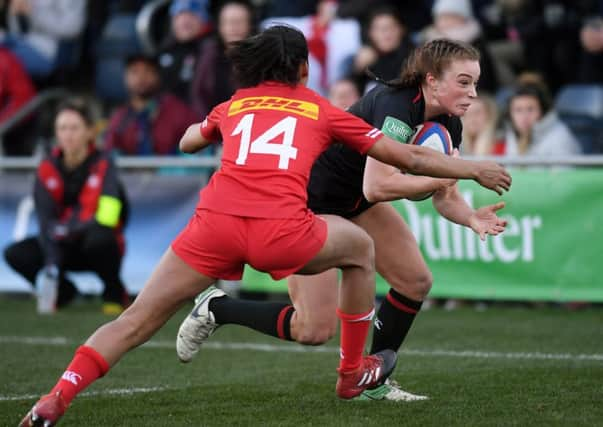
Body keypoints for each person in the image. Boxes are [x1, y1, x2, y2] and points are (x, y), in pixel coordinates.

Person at [19, 26, 511, 426]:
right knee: (348, 270)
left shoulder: (234, 103)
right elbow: (398, 162)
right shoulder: (324, 107)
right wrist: (471, 170)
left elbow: (190, 141)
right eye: (464, 81)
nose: (471, 90)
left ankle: (55, 397)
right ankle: (349, 373)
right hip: (293, 219)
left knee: (135, 321)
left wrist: (209, 129)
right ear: (302, 69)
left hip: (218, 224)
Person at [176, 38, 510, 401]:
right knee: (312, 329)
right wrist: (461, 172)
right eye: (463, 82)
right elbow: (379, 185)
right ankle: (217, 307)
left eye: (475, 83)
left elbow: (445, 195)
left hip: (356, 203)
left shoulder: (448, 123)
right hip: (310, 205)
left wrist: (471, 218)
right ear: (431, 80)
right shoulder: (396, 104)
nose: (473, 93)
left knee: (415, 281)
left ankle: (374, 383)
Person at [3, 99, 130, 316]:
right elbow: (45, 221)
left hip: (95, 244)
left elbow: (108, 216)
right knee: (15, 254)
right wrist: (51, 267)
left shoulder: (105, 164)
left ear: (90, 132)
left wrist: (68, 229)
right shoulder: (46, 168)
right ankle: (63, 291)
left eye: (74, 128)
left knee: (101, 238)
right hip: (62, 243)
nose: (68, 134)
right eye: (62, 128)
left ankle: (114, 292)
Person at [103, 54, 198, 155]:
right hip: (131, 170)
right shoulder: (120, 117)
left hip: (172, 169)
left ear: (157, 76)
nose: (141, 77)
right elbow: (110, 150)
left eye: (148, 71)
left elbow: (198, 141)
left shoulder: (177, 110)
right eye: (135, 71)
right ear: (125, 78)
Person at [495, 82, 582, 156]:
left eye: (530, 109)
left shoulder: (560, 137)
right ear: (510, 113)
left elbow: (564, 175)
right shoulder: (511, 134)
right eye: (518, 110)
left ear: (543, 112)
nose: (524, 116)